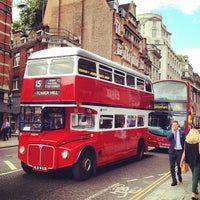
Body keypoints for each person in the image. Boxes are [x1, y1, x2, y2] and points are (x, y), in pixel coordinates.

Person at [180, 128, 200, 200]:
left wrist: (181, 161)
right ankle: (193, 195)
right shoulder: (198, 142)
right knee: (195, 177)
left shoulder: (186, 142)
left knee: (195, 175)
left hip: (190, 162)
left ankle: (196, 189)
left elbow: (184, 152)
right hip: (197, 161)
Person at [167, 120, 185, 186]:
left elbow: (184, 142)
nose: (174, 126)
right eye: (173, 125)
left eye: (175, 125)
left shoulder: (181, 132)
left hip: (179, 151)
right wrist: (172, 133)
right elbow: (168, 139)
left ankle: (179, 175)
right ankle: (174, 181)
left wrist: (184, 151)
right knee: (172, 166)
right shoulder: (170, 132)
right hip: (172, 151)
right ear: (172, 126)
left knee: (179, 166)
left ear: (178, 125)